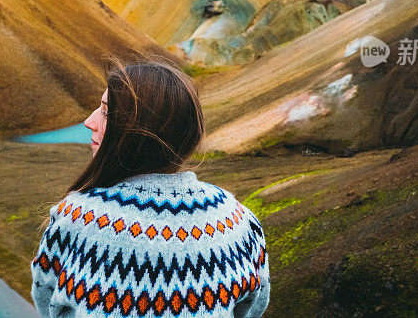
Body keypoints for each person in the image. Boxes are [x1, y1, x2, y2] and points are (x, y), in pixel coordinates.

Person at [30, 56, 270, 317]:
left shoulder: (75, 219)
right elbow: (252, 308)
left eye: (105, 112)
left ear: (138, 130)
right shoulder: (239, 222)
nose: (89, 121)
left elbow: (48, 302)